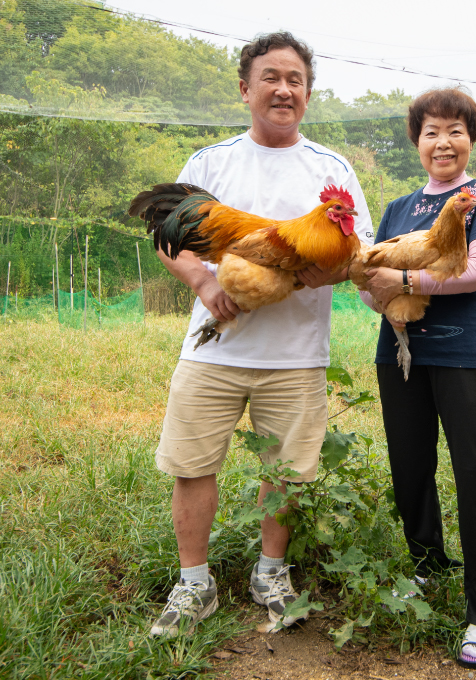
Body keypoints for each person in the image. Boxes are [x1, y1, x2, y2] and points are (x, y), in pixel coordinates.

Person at [148, 31, 373, 637]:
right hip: (215, 346)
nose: (283, 89)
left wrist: (319, 270)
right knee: (192, 464)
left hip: (296, 354)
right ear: (246, 88)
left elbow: (355, 253)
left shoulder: (333, 169)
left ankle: (271, 570)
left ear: (307, 94)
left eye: (295, 79)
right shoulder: (210, 161)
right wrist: (202, 283)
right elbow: (172, 239)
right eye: (271, 77)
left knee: (288, 471)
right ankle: (194, 582)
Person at [362, 88, 476, 669]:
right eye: (430, 131)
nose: (442, 141)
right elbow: (373, 271)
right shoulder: (399, 207)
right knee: (410, 468)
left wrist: (404, 285)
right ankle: (427, 568)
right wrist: (373, 289)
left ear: (470, 139)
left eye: (454, 130)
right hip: (400, 355)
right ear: (416, 142)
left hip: (466, 356)